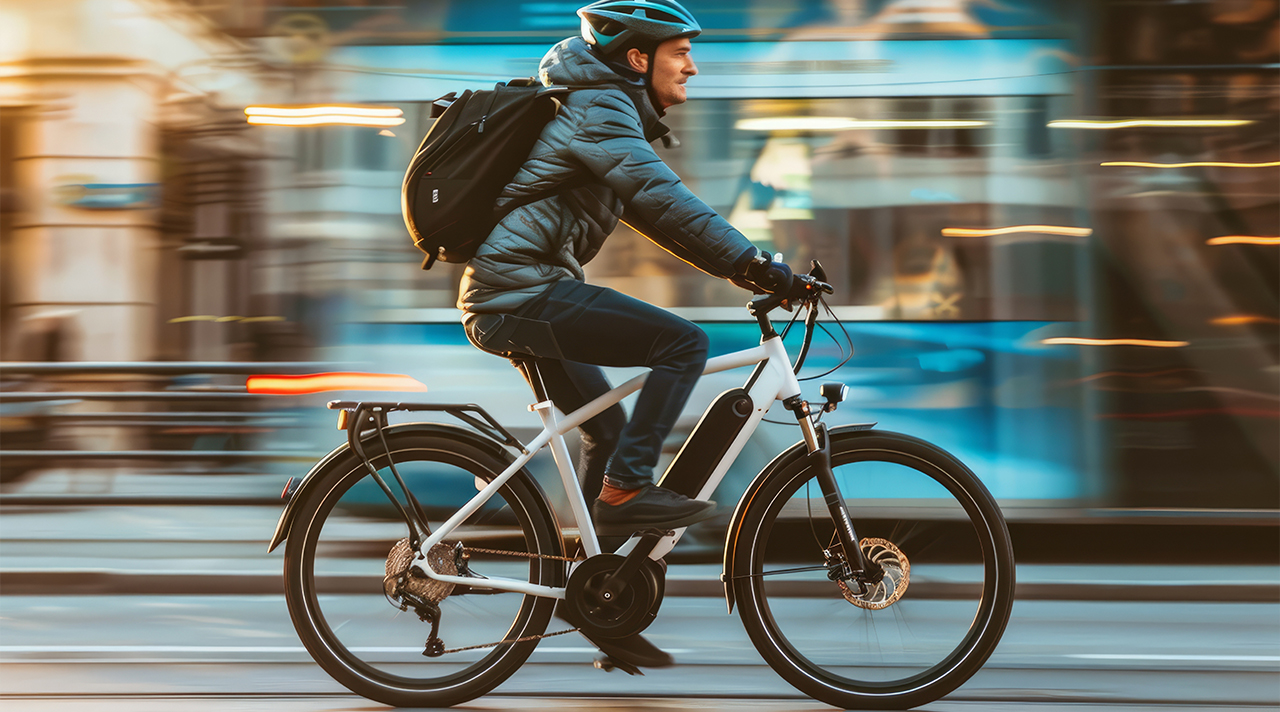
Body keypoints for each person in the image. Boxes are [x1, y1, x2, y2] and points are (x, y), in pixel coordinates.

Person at [460, 0, 803, 547]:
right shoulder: (601, 108)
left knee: (607, 430)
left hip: (523, 290)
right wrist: (756, 264)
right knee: (684, 343)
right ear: (638, 57)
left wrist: (749, 272)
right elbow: (662, 195)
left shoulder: (601, 106)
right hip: (517, 292)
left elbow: (661, 220)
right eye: (682, 54)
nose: (692, 67)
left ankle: (599, 581)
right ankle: (626, 491)